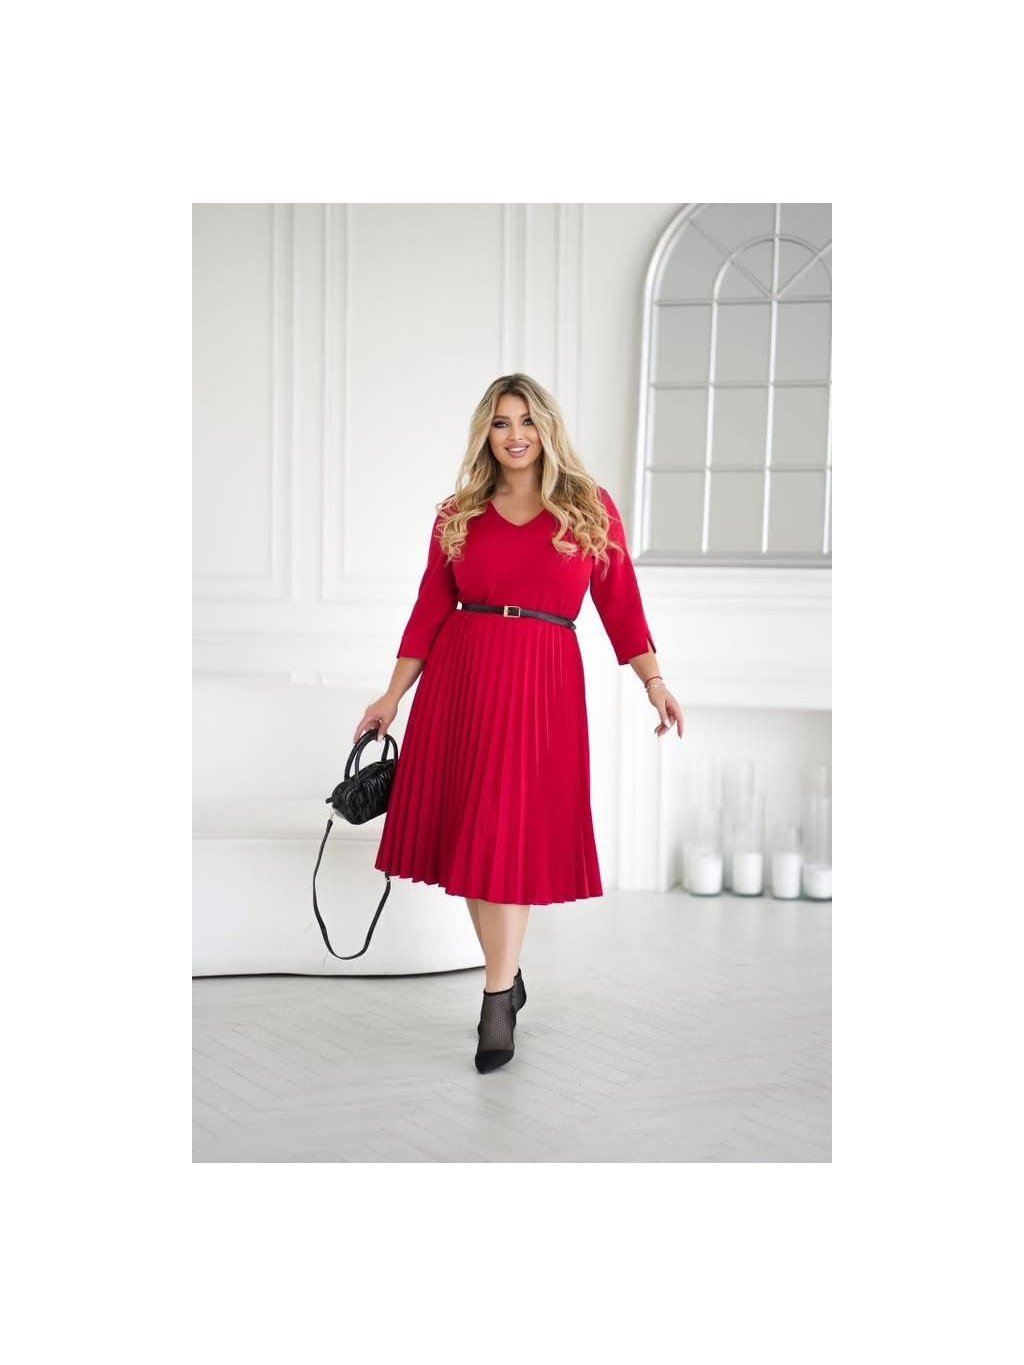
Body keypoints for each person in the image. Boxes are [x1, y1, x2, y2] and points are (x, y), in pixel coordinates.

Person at [353, 374, 684, 1073]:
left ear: (547, 429)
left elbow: (621, 604)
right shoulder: (459, 513)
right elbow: (428, 607)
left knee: (506, 839)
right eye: (502, 422)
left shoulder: (588, 508)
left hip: (542, 684)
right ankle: (505, 978)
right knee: (475, 840)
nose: (515, 435)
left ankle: (496, 998)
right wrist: (392, 696)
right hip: (462, 680)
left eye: (527, 421)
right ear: (487, 432)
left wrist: (654, 682)